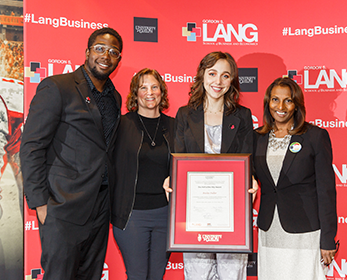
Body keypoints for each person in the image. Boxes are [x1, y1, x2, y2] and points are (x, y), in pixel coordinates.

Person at [20, 27, 123, 280]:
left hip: (100, 208)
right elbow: (32, 145)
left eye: (113, 52)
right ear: (87, 51)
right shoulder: (57, 87)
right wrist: (40, 202)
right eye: (99, 48)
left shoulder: (115, 98)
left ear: (119, 59)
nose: (105, 56)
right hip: (62, 206)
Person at [169, 51, 253, 279]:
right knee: (197, 273)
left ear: (232, 81)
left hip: (232, 209)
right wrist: (171, 179)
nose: (218, 81)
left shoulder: (243, 116)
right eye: (212, 73)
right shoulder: (185, 114)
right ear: (202, 75)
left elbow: (248, 160)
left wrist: (251, 181)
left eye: (225, 76)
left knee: (232, 273)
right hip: (194, 208)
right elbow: (178, 158)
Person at [251, 77, 337, 279]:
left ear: (296, 105)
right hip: (269, 230)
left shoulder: (315, 136)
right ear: (267, 102)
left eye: (288, 100)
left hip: (304, 231)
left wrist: (327, 239)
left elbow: (326, 191)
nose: (280, 106)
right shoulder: (257, 137)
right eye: (274, 99)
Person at [111, 68, 174, 280]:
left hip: (166, 214)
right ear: (135, 93)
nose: (150, 92)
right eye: (143, 87)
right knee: (137, 275)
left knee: (157, 275)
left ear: (162, 92)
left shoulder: (174, 126)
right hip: (131, 215)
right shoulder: (121, 125)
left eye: (154, 87)